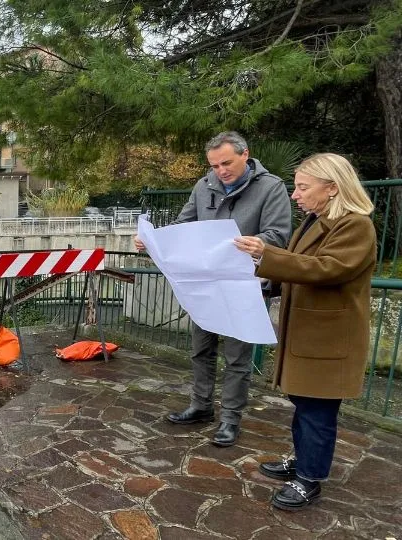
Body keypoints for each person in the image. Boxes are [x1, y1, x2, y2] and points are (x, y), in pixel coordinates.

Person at [234, 153, 375, 511]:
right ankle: (303, 461)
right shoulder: (316, 221)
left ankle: (309, 479)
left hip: (329, 337)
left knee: (317, 411)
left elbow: (328, 269)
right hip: (310, 333)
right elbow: (300, 270)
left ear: (332, 188)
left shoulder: (355, 225)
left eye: (302, 187)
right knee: (304, 404)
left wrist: (267, 256)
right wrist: (267, 281)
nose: (295, 195)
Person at [135, 131, 292, 447]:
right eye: (214, 165)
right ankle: (201, 405)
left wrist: (258, 242)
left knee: (237, 358)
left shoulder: (271, 187)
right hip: (204, 285)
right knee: (201, 349)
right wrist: (153, 241)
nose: (221, 171)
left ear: (245, 154)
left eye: (226, 163)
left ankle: (231, 419)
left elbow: (278, 234)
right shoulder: (204, 185)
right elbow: (184, 226)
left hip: (243, 285)